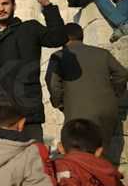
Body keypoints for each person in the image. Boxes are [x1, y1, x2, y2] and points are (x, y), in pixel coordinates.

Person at [0, 0, 67, 143]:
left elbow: (58, 38)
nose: (1, 9)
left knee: (33, 157)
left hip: (27, 113)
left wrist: (46, 5)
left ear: (14, 5)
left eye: (5, 4)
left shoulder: (30, 29)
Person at [46, 23, 128, 165]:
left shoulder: (59, 56)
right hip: (108, 112)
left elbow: (53, 82)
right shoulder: (102, 53)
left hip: (78, 113)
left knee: (78, 160)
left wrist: (59, 103)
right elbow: (121, 73)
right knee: (102, 156)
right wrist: (115, 94)